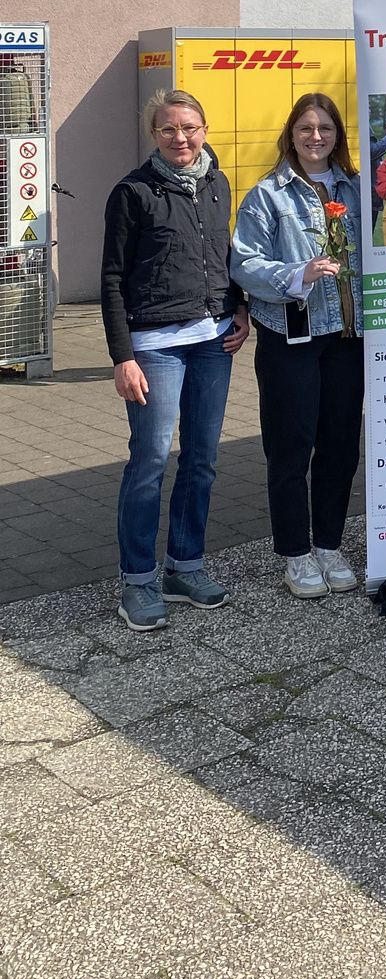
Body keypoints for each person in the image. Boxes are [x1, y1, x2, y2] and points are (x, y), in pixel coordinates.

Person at [101, 89, 249, 631]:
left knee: (202, 460)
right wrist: (123, 356)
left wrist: (239, 308)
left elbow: (223, 254)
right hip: (155, 348)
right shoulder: (133, 192)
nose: (180, 138)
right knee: (150, 463)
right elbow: (112, 279)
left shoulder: (217, 182)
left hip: (212, 341)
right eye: (168, 129)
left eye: (189, 127)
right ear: (154, 135)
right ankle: (136, 581)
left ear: (205, 130)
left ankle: (184, 567)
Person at [231, 93, 366, 601]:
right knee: (290, 446)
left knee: (339, 444)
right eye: (306, 128)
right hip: (291, 336)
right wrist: (295, 274)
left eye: (325, 128)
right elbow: (242, 262)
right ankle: (294, 551)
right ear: (291, 134)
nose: (316, 137)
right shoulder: (268, 195)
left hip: (347, 338)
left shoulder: (356, 189)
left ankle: (329, 543)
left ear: (338, 135)